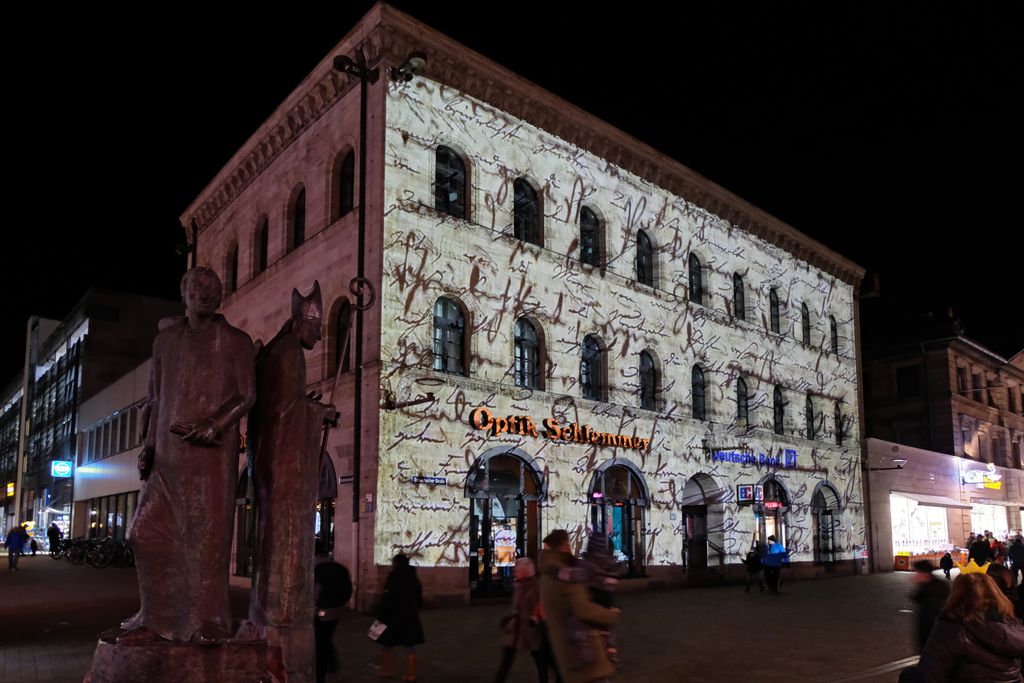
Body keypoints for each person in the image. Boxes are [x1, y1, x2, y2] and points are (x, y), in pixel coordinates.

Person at [119, 267, 256, 645]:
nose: (204, 294)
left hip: (211, 456)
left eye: (212, 288)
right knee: (144, 533)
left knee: (206, 541)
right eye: (197, 288)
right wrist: (148, 447)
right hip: (167, 458)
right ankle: (154, 613)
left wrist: (215, 424)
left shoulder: (235, 341)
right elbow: (156, 398)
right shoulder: (165, 342)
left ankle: (208, 620)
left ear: (220, 295)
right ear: (184, 293)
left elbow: (247, 394)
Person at [246, 281, 338, 681]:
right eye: (316, 329)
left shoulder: (276, 353)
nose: (319, 337)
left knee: (274, 530)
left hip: (270, 459)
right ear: (301, 323)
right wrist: (321, 414)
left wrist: (308, 408)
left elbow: (284, 406)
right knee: (285, 532)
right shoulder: (289, 354)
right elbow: (287, 411)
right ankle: (282, 607)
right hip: (283, 466)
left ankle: (269, 603)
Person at [899, 573, 1024, 683]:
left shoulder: (953, 627)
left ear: (957, 593)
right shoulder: (1012, 623)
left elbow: (929, 677)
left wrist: (906, 676)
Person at [539, 529, 619, 683]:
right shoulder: (569, 572)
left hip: (569, 646)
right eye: (569, 543)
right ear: (564, 545)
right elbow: (584, 610)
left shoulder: (549, 571)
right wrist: (612, 615)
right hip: (585, 649)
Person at [494, 557, 549, 683]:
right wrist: (510, 618)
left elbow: (540, 606)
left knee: (540, 660)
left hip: (532, 630)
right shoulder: (518, 586)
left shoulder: (535, 587)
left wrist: (535, 618)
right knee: (507, 659)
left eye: (517, 569)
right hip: (517, 629)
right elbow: (517, 606)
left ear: (526, 571)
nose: (514, 572)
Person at [377, 553, 424, 682]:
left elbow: (388, 598)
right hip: (410, 616)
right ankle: (411, 673)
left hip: (393, 616)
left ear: (396, 563)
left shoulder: (393, 576)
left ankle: (387, 670)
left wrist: (381, 614)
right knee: (410, 646)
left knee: (386, 644)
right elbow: (419, 597)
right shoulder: (413, 576)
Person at [314, 542, 352, 683]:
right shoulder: (340, 568)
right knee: (326, 638)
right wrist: (341, 603)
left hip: (321, 611)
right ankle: (331, 667)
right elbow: (349, 589)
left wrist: (314, 607)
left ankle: (322, 674)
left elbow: (314, 592)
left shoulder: (316, 569)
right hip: (337, 610)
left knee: (321, 641)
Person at [910, 560, 950, 653]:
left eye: (917, 573)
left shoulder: (935, 590)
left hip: (934, 641)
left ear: (925, 573)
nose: (915, 576)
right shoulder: (926, 588)